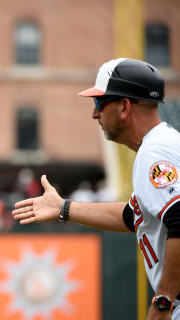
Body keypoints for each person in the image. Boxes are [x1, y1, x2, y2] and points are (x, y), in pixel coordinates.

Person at [12, 58, 180, 319]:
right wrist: (63, 208)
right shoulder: (162, 144)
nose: (94, 114)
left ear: (124, 106)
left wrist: (163, 300)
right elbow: (132, 216)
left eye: (99, 103)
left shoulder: (155, 152)